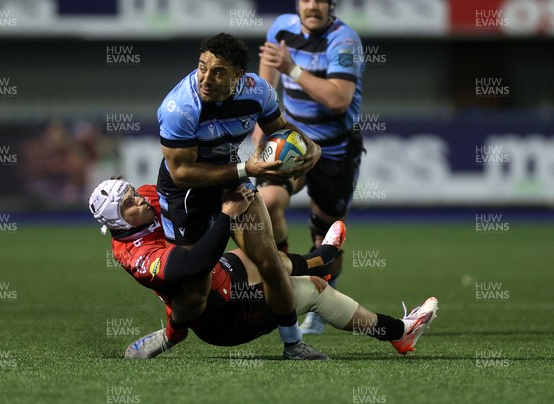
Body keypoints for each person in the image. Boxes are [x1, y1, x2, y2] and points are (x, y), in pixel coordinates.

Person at [87, 179, 438, 359]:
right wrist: (226, 214)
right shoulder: (133, 253)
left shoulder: (148, 196)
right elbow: (194, 264)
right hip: (221, 318)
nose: (142, 198)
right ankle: (398, 331)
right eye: (129, 202)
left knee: (266, 257)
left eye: (133, 191)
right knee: (313, 288)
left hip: (219, 277)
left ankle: (323, 255)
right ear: (118, 221)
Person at [156, 33, 324, 357]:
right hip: (185, 194)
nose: (206, 78)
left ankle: (293, 344)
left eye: (218, 71)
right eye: (202, 67)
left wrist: (310, 146)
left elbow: (280, 129)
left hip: (233, 180)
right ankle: (169, 336)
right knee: (194, 290)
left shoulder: (257, 91)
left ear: (238, 75)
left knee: (270, 262)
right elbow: (182, 172)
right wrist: (247, 170)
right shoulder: (180, 108)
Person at [253, 0, 366, 334]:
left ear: (332, 5)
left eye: (321, 0)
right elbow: (268, 73)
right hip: (294, 142)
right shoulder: (282, 28)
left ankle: (321, 303)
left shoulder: (344, 40)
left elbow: (338, 99)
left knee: (325, 234)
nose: (312, 5)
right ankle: (284, 282)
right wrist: (263, 116)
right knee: (268, 203)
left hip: (335, 150)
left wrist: (293, 69)